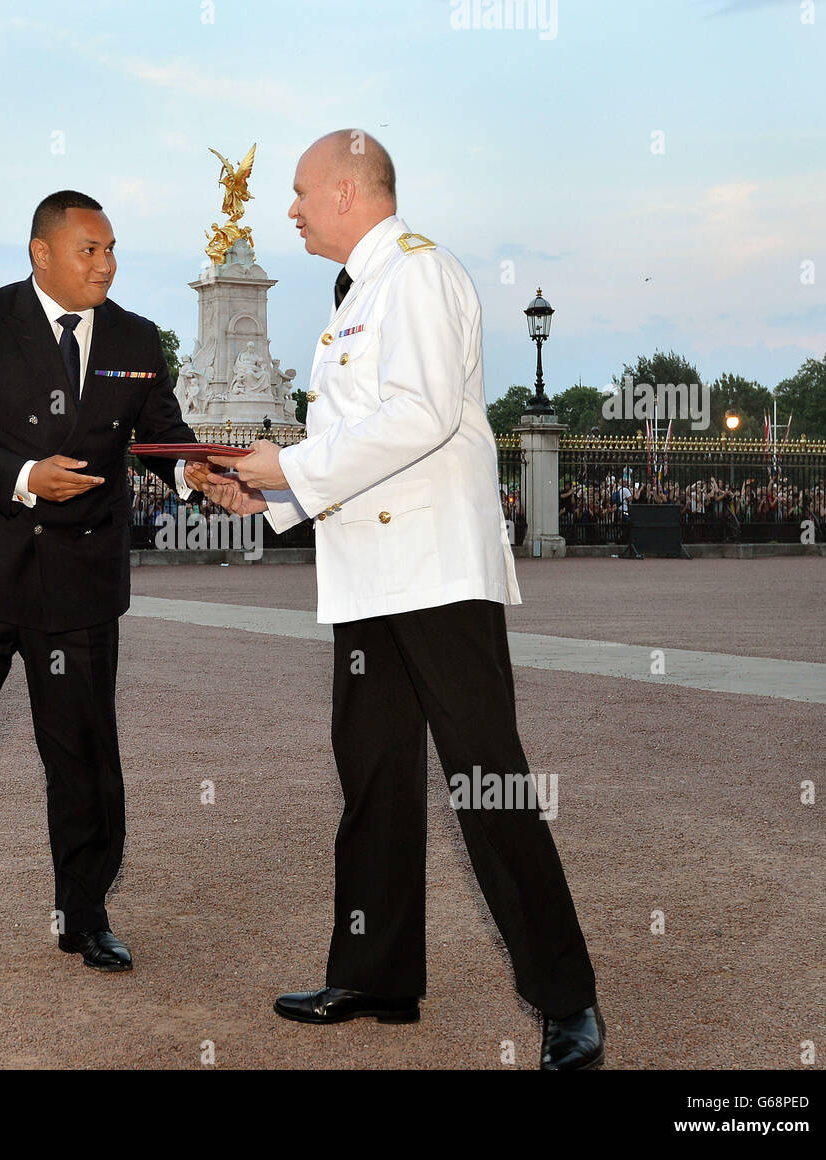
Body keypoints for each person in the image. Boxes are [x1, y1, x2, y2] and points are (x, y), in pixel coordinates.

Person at [191, 130, 603, 1070]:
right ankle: (376, 974)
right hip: (371, 580)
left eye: (298, 193)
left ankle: (568, 999)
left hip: (438, 576)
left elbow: (419, 418)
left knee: (488, 782)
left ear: (346, 190)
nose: (287, 209)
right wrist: (266, 494)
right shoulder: (356, 295)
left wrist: (288, 463)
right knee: (373, 781)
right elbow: (365, 448)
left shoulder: (417, 275)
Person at [0, 190, 199, 974]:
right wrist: (23, 475)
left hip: (79, 579)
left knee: (86, 754)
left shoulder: (137, 337)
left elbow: (161, 435)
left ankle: (85, 917)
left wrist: (199, 473)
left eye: (112, 248)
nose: (107, 264)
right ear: (42, 253)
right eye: (90, 249)